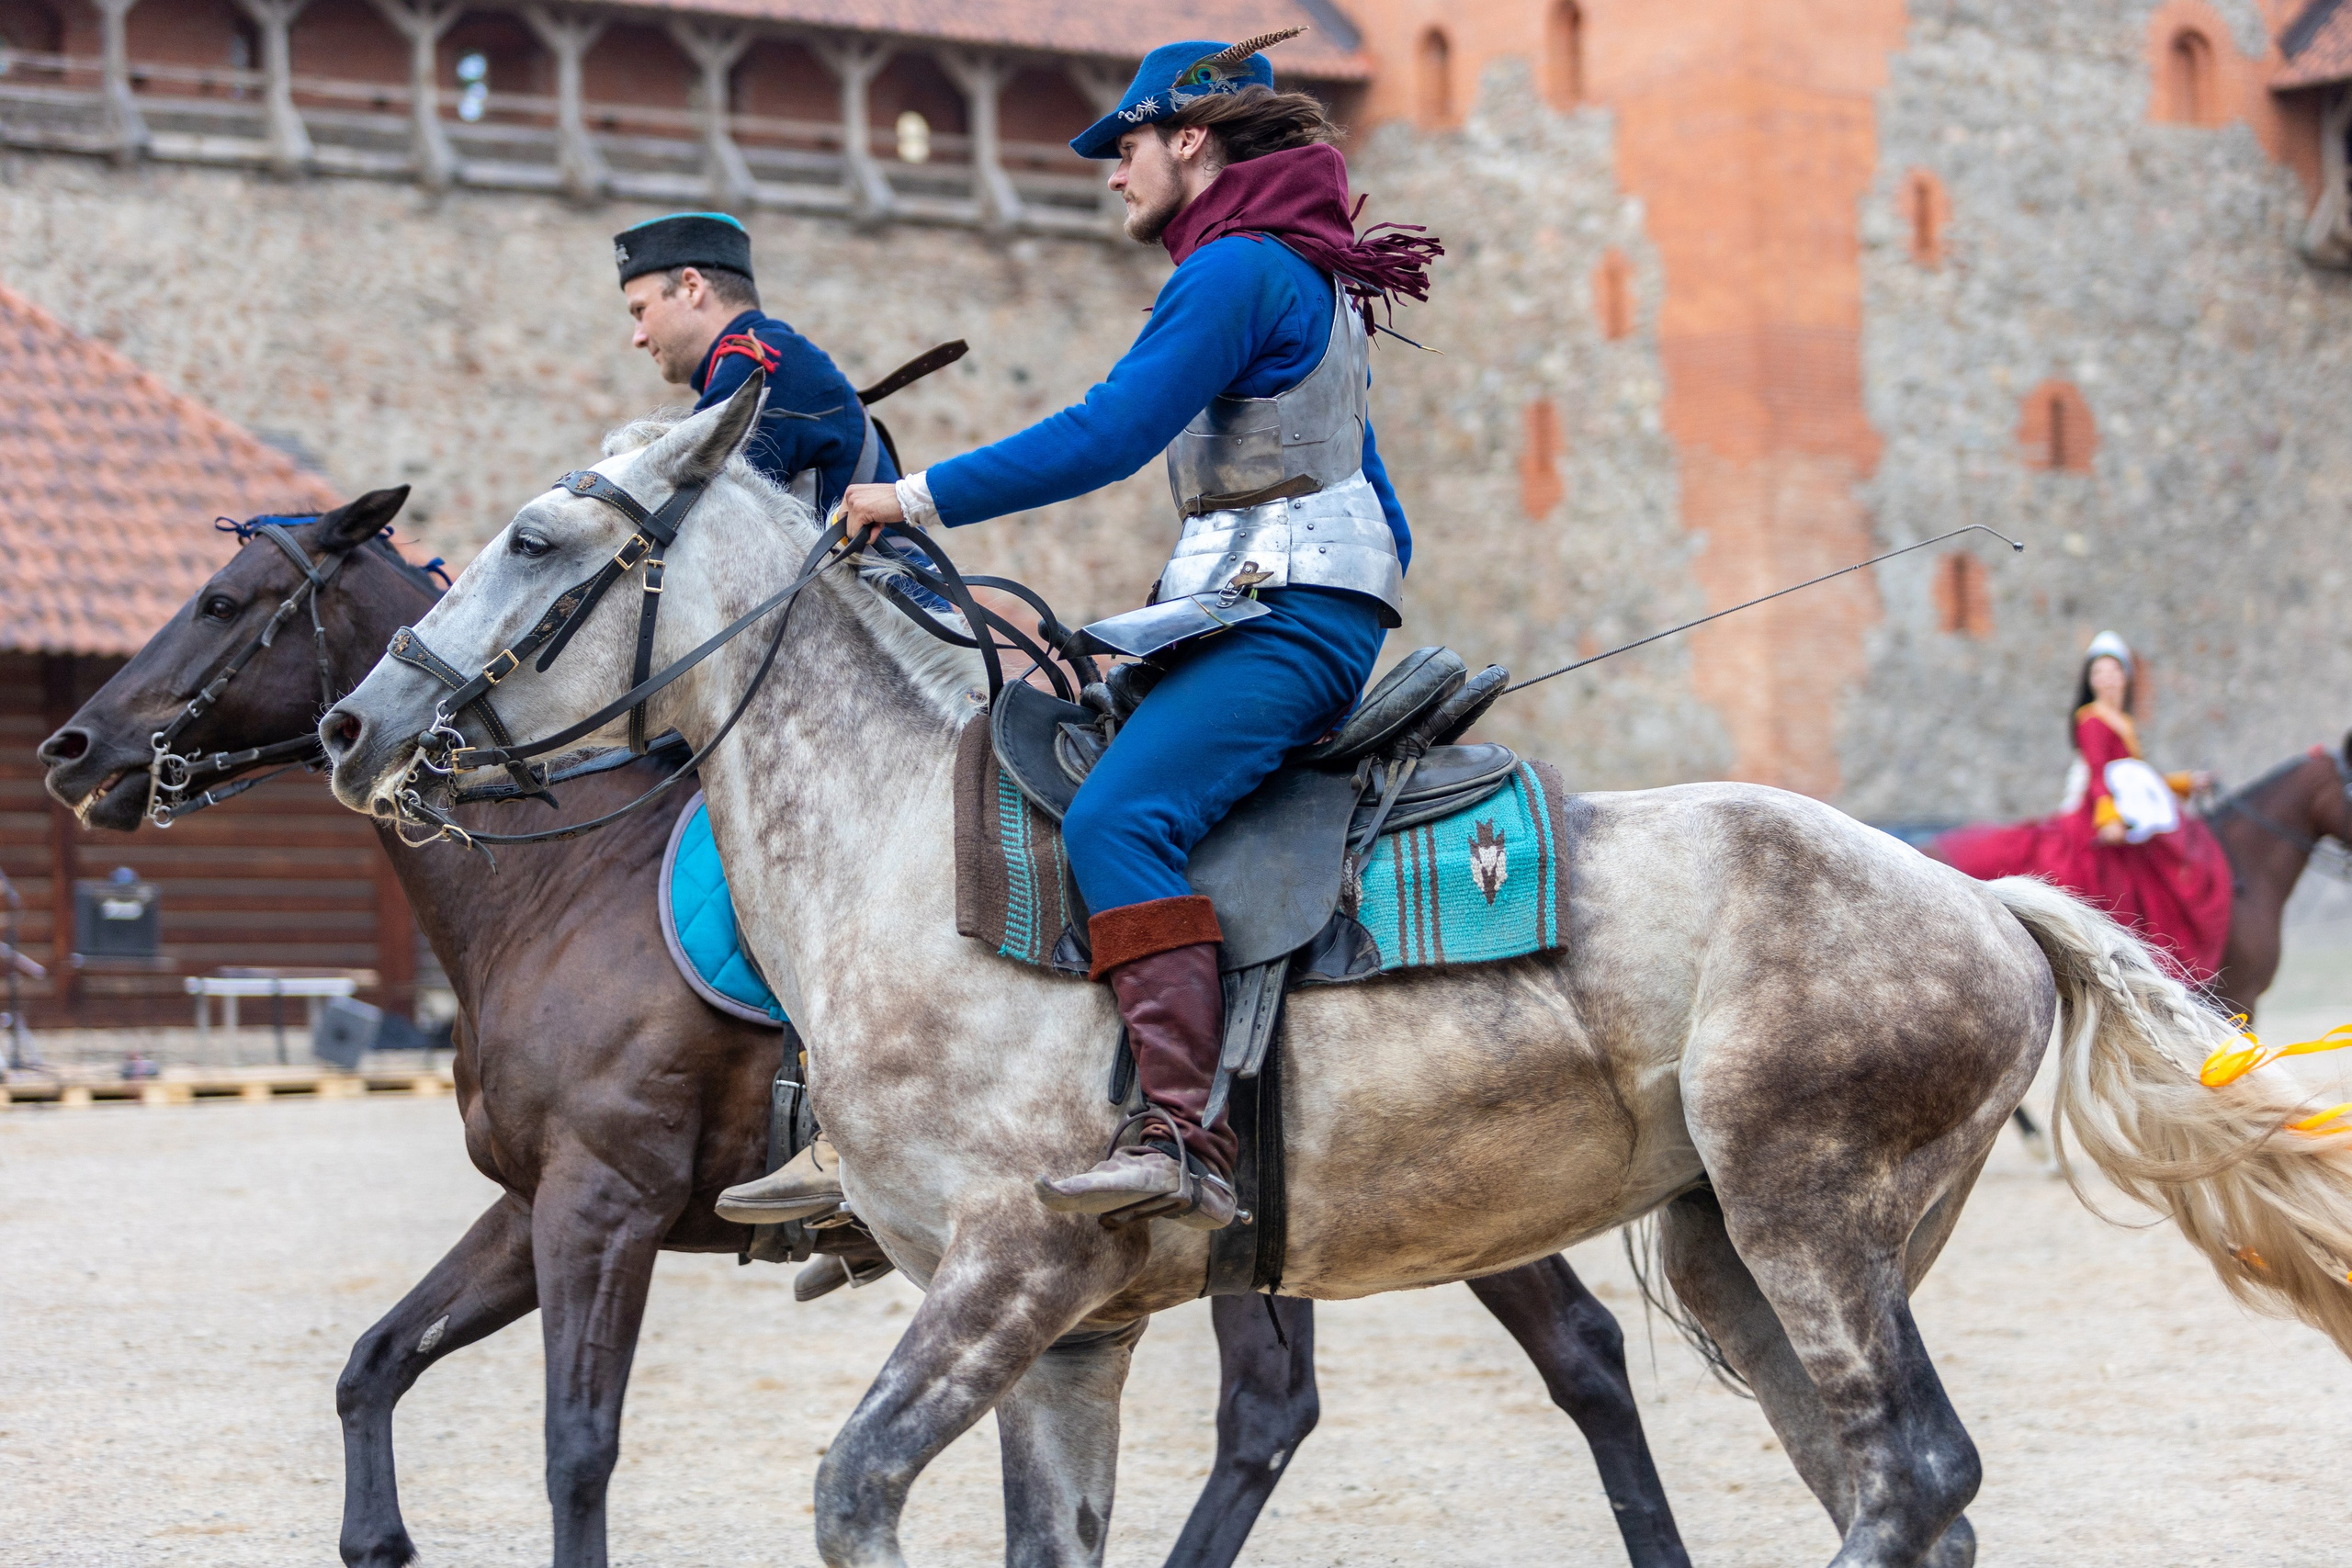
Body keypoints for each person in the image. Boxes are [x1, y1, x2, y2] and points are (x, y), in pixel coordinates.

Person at [786, 31, 1442, 1230]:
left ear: (1188, 139)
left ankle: (1184, 1136)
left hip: (1286, 617)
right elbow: (1374, 498)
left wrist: (910, 493)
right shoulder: (1295, 274)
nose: (1112, 171)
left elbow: (1107, 434)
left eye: (1126, 145)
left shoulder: (1238, 271)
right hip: (1285, 609)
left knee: (1116, 816)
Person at [1932, 631, 2233, 982]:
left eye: (2113, 671)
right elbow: (2099, 773)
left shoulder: (2124, 722)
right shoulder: (2091, 718)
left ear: (2125, 677)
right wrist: (2108, 818)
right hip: (2097, 817)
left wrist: (2184, 782)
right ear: (2091, 681)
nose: (2106, 679)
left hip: (2122, 815)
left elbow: (2134, 779)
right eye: (2098, 673)